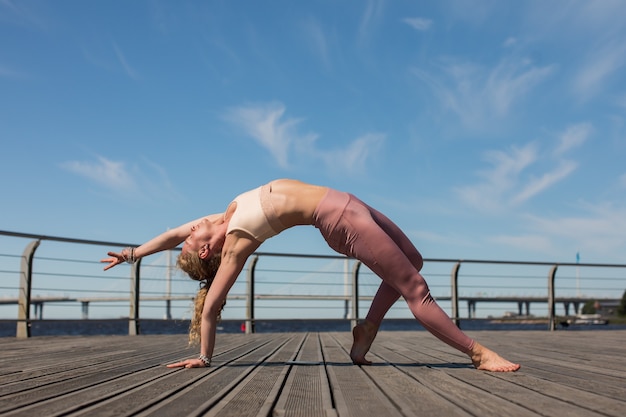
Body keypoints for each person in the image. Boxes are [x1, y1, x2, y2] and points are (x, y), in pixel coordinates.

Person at [102, 179, 520, 372]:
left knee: (414, 258)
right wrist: (205, 356)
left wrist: (132, 253)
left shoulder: (220, 219)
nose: (188, 232)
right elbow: (211, 307)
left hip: (349, 202)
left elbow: (171, 233)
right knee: (416, 287)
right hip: (339, 219)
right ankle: (478, 354)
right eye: (191, 242)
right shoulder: (235, 242)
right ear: (208, 250)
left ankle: (365, 333)